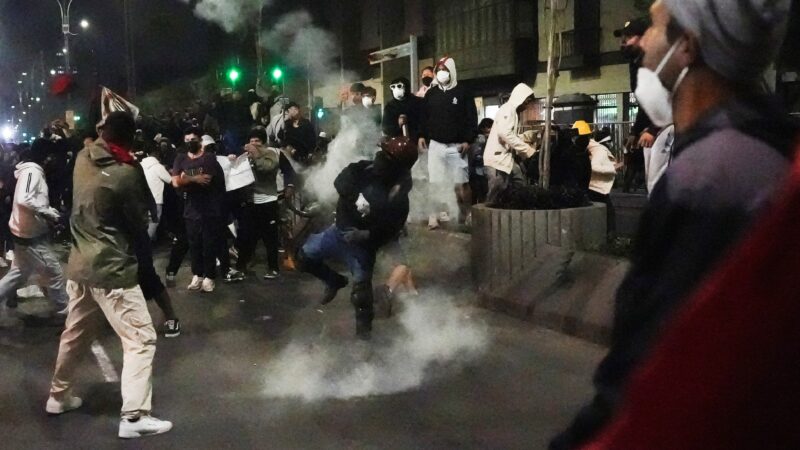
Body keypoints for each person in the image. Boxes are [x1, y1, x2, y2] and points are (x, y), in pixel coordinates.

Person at [550, 0, 795, 448]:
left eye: (656, 26)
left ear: (687, 46)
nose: (642, 41)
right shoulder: (743, 147)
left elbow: (658, 370)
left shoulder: (715, 174)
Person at [47, 111, 172, 438]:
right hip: (112, 268)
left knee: (75, 335)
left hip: (79, 265)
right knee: (140, 338)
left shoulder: (82, 158)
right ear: (129, 139)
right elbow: (138, 221)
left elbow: (94, 146)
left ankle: (58, 397)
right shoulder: (125, 173)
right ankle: (134, 417)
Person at [297, 136, 417, 339]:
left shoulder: (399, 197)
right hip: (337, 233)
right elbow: (341, 180)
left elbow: (391, 230)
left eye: (387, 155)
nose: (380, 156)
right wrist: (355, 196)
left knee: (362, 297)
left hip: (362, 247)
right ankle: (333, 280)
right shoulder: (364, 169)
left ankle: (364, 341)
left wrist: (367, 235)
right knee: (304, 257)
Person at [0, 139, 68, 316]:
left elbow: (33, 199)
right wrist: (47, 213)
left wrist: (47, 210)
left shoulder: (29, 171)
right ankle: (63, 309)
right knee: (54, 272)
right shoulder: (33, 172)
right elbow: (25, 198)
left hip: (23, 230)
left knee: (18, 273)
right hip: (30, 234)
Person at [419, 56, 478, 228]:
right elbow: (424, 118)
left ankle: (468, 214)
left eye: (445, 70)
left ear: (452, 71)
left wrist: (468, 140)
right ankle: (433, 216)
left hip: (457, 146)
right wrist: (422, 135)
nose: (441, 73)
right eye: (439, 70)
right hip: (436, 145)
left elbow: (471, 118)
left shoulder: (463, 92)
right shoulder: (431, 93)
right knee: (435, 183)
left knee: (461, 183)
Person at [171, 127, 227, 293]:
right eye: (187, 140)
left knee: (208, 244)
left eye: (193, 140)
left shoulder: (209, 159)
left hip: (209, 209)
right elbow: (175, 181)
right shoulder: (180, 158)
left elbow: (206, 179)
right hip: (190, 210)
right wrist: (193, 178)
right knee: (194, 244)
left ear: (200, 141)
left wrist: (185, 178)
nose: (190, 143)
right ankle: (198, 274)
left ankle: (209, 276)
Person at [616, 17, 656, 193]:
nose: (623, 42)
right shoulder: (636, 63)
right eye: (623, 37)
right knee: (653, 181)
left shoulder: (655, 61)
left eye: (629, 36)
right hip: (653, 128)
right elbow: (645, 102)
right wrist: (635, 130)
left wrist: (654, 129)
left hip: (667, 128)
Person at [236, 127, 282, 279]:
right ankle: (241, 266)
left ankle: (273, 268)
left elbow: (266, 168)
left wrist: (255, 154)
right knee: (246, 235)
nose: (254, 144)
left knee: (270, 237)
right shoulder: (246, 157)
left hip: (268, 201)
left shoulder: (271, 154)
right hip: (251, 201)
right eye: (251, 141)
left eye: (257, 141)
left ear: (263, 143)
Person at [483, 83, 537, 205]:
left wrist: (525, 137)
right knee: (495, 193)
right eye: (527, 101)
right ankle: (486, 218)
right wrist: (527, 150)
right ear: (521, 98)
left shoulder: (513, 111)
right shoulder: (508, 109)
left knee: (519, 185)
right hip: (497, 160)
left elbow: (508, 135)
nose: (527, 105)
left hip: (506, 159)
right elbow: (504, 133)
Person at [575, 121, 618, 240]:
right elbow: (594, 167)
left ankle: (609, 236)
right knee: (607, 213)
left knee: (606, 212)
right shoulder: (593, 150)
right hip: (595, 187)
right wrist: (612, 168)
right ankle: (608, 236)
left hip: (594, 186)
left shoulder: (594, 150)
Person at [140, 143, 172, 241]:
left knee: (145, 223)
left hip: (143, 199)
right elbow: (170, 180)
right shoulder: (157, 167)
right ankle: (146, 244)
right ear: (156, 153)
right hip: (156, 199)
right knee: (154, 221)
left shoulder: (140, 165)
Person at [383, 76, 424, 141]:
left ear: (406, 87)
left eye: (399, 86)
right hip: (397, 142)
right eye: (393, 87)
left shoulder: (418, 102)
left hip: (416, 141)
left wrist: (421, 136)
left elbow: (423, 122)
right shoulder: (390, 106)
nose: (396, 89)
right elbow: (386, 128)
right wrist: (398, 125)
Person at [643, 124, 674, 195]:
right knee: (650, 178)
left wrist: (652, 130)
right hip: (650, 130)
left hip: (663, 128)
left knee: (657, 175)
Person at [469, 118, 493, 204]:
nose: (487, 129)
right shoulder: (477, 139)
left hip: (484, 169)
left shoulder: (493, 140)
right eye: (485, 127)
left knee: (483, 192)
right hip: (476, 169)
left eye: (489, 127)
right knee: (476, 192)